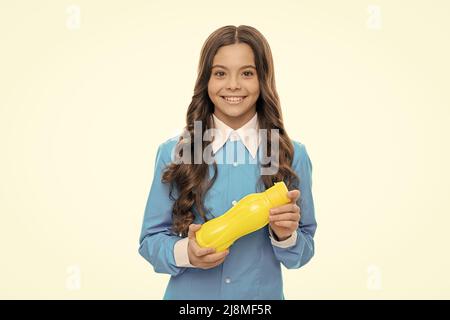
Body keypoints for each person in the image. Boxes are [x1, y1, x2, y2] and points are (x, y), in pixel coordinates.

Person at [138, 25, 317, 300]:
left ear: (263, 80)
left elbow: (301, 254)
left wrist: (286, 236)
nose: (233, 85)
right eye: (220, 73)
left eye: (247, 73)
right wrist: (187, 253)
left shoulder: (287, 155)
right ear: (205, 81)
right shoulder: (177, 152)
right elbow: (150, 241)